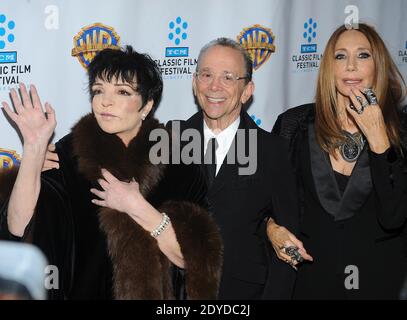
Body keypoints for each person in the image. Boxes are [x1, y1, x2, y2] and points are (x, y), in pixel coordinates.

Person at [0, 46, 222, 299]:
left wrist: (136, 206)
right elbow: (17, 228)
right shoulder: (70, 155)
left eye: (122, 92)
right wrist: (33, 151)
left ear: (147, 105)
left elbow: (195, 260)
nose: (106, 101)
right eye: (98, 90)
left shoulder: (178, 161)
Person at [267, 23, 407, 299]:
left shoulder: (402, 129)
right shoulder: (293, 125)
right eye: (340, 56)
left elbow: (394, 217)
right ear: (329, 67)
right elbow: (264, 201)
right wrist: (272, 229)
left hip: (378, 283)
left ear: (378, 65)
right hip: (308, 282)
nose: (351, 66)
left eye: (363, 55)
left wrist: (379, 138)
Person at [169, 38, 305, 299]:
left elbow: (288, 240)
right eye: (206, 74)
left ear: (246, 90)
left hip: (243, 293)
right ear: (195, 82)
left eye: (228, 77)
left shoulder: (271, 150)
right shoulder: (170, 139)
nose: (214, 86)